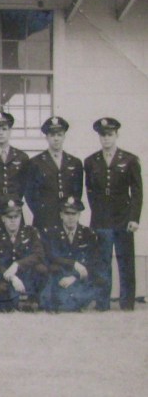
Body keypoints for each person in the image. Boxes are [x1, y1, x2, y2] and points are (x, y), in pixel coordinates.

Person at [84, 117, 141, 311]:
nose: (106, 139)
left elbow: (137, 191)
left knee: (126, 260)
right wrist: (97, 212)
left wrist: (134, 218)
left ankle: (127, 303)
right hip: (102, 218)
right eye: (103, 135)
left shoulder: (130, 160)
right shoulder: (91, 161)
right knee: (102, 261)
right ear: (99, 137)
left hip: (124, 218)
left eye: (110, 134)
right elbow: (90, 190)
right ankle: (102, 303)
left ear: (117, 135)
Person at [41, 197, 104, 312]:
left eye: (74, 214)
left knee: (96, 284)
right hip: (59, 277)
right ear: (61, 215)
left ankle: (73, 300)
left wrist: (74, 276)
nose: (70, 217)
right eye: (67, 213)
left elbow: (93, 261)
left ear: (79, 215)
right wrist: (73, 264)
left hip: (78, 278)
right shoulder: (51, 233)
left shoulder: (88, 234)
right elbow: (51, 257)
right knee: (49, 298)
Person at [0, 198, 49, 311]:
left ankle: (33, 299)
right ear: (3, 218)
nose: (13, 220)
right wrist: (12, 277)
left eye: (16, 217)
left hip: (26, 275)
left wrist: (17, 264)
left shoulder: (30, 232)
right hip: (5, 276)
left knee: (41, 269)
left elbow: (39, 254)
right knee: (3, 305)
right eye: (9, 217)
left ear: (20, 217)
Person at [23, 117, 83, 231]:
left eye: (59, 135)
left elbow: (77, 192)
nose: (56, 139)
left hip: (67, 218)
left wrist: (71, 213)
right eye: (52, 135)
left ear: (64, 136)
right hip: (44, 218)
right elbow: (29, 193)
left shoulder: (75, 162)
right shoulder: (35, 162)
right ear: (47, 137)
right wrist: (40, 213)